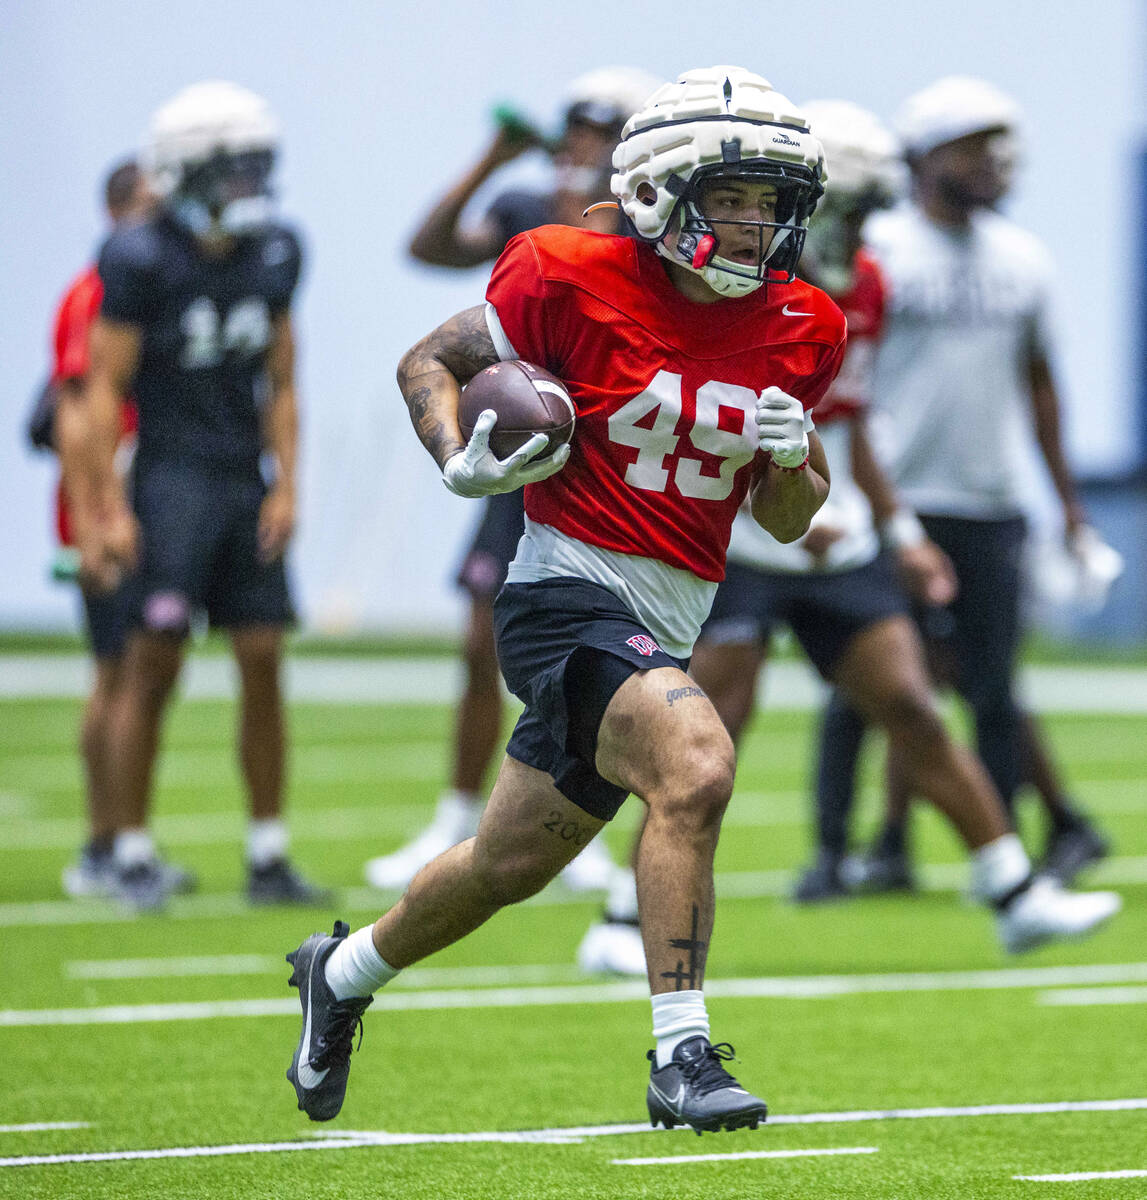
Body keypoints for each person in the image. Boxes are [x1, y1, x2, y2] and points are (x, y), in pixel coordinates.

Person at [286, 65, 843, 1132]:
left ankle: (341, 974)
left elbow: (785, 520)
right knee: (696, 764)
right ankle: (682, 1058)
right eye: (729, 196)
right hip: (562, 593)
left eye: (770, 202)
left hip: (669, 611)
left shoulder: (802, 322)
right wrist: (458, 461)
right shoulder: (563, 272)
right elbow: (428, 363)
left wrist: (790, 463)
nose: (752, 223)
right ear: (659, 193)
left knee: (505, 865)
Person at [685, 102, 1120, 953]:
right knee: (708, 736)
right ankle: (632, 914)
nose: (861, 231)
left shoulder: (864, 286)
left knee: (911, 705)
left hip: (832, 524)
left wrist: (897, 526)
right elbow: (699, 414)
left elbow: (846, 422)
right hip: (740, 533)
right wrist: (769, 502)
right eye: (848, 210)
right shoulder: (732, 284)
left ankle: (1013, 890)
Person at [368, 68, 659, 924]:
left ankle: (582, 832)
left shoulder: (649, 224)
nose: (581, 143)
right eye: (575, 127)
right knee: (479, 638)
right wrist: (490, 158)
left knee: (611, 658)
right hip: (527, 444)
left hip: (608, 460)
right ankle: (456, 816)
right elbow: (428, 248)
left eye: (601, 130)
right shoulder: (532, 203)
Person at [819, 77, 1112, 893]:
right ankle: (840, 855)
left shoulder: (1023, 259)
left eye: (996, 145)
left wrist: (1067, 504)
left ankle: (1006, 858)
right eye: (971, 145)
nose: (991, 162)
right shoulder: (874, 249)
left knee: (988, 688)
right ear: (924, 153)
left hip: (987, 502)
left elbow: (1041, 384)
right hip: (894, 499)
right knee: (862, 684)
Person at [75, 81, 329, 911]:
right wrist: (106, 507)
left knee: (262, 659)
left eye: (258, 167)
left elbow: (283, 379)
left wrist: (287, 484)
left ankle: (267, 852)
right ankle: (131, 851)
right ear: (187, 171)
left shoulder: (279, 250)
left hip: (239, 479)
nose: (251, 185)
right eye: (235, 169)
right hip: (170, 482)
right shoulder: (138, 256)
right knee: (152, 664)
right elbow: (103, 389)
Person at [34, 159, 194, 901]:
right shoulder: (95, 292)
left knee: (126, 669)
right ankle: (103, 845)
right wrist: (94, 521)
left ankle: (111, 842)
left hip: (137, 501)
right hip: (110, 509)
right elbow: (73, 413)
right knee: (116, 671)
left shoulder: (150, 285)